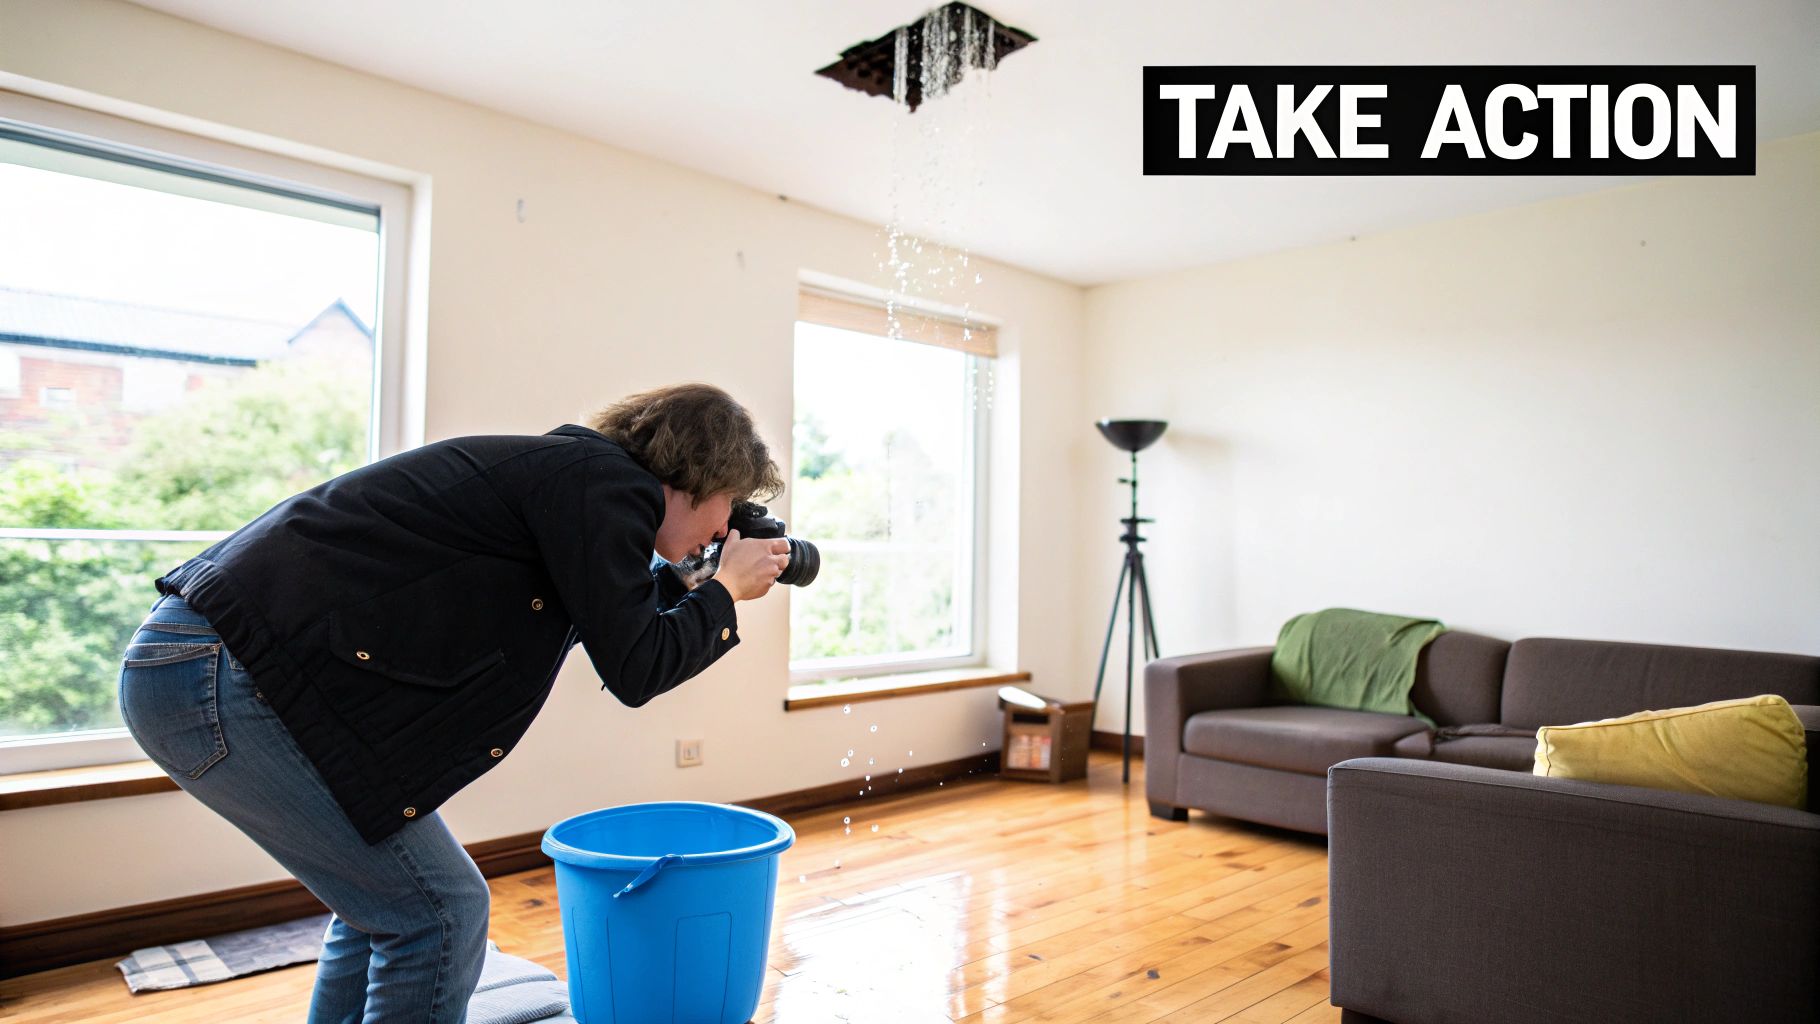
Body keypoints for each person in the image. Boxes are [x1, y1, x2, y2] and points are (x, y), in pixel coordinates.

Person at [116, 382, 789, 1023]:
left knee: (379, 911)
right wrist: (725, 592)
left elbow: (630, 634)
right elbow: (640, 667)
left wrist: (708, 586)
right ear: (694, 476)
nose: (725, 525)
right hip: (216, 671)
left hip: (201, 663)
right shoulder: (601, 482)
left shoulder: (575, 487)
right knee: (440, 912)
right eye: (729, 501)